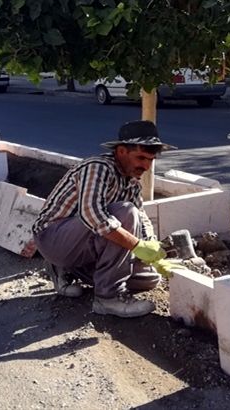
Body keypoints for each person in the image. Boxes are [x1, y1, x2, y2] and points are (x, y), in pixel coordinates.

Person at [32, 120, 171, 318]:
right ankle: (108, 298)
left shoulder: (131, 183)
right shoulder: (97, 167)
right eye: (141, 157)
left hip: (83, 244)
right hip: (53, 237)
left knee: (149, 279)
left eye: (151, 159)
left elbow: (142, 218)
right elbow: (92, 214)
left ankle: (69, 270)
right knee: (125, 212)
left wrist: (151, 247)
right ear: (122, 151)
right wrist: (137, 245)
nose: (146, 166)